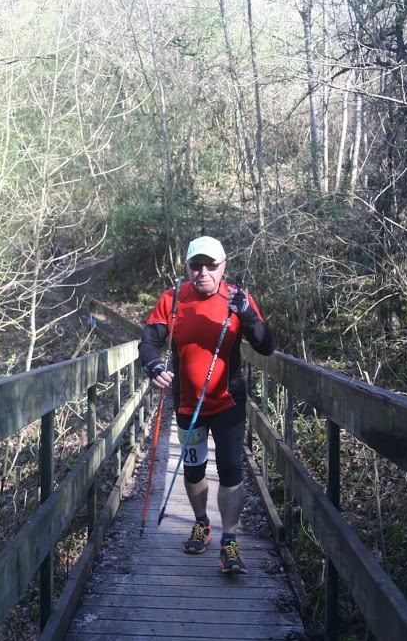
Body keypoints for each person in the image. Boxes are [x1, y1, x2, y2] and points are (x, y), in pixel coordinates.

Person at [138, 236, 276, 574]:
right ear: (186, 268)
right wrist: (153, 365)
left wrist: (247, 316)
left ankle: (230, 541)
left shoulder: (237, 300)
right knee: (194, 470)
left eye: (210, 265)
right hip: (187, 406)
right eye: (196, 265)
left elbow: (267, 346)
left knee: (231, 470)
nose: (203, 272)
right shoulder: (171, 301)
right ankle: (202, 523)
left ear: (223, 267)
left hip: (228, 403)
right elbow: (148, 342)